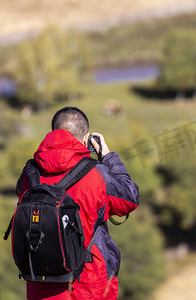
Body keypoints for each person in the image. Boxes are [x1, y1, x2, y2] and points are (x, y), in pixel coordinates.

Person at [15, 106, 139, 300]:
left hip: (40, 285)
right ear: (86, 138)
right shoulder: (97, 174)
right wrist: (108, 157)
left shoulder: (30, 173)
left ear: (53, 134)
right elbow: (129, 199)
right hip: (89, 285)